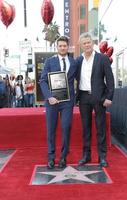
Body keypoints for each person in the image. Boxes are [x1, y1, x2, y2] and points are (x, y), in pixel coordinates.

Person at [76, 32, 114, 167]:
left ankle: (102, 157)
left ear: (92, 43)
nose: (87, 45)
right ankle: (86, 156)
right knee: (86, 128)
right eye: (84, 43)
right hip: (83, 97)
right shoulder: (78, 60)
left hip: (99, 97)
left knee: (100, 127)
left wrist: (109, 97)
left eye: (89, 42)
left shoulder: (102, 58)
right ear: (81, 45)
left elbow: (110, 79)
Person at [40, 36, 77, 169]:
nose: (62, 48)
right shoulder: (49, 62)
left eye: (64, 46)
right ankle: (51, 157)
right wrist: (49, 96)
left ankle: (63, 157)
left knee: (66, 127)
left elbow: (79, 79)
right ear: (57, 47)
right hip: (52, 101)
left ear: (68, 47)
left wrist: (77, 97)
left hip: (67, 101)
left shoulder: (73, 62)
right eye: (60, 46)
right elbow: (42, 80)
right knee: (51, 129)